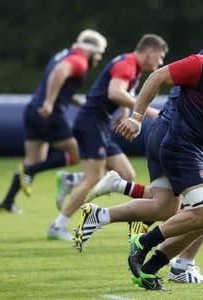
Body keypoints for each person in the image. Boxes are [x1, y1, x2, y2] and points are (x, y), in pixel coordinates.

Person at [74, 16, 203, 284]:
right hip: (176, 137)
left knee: (166, 207)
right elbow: (168, 88)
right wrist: (137, 116)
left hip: (168, 134)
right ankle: (178, 263)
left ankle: (104, 214)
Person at [46, 34, 167, 240]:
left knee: (126, 174)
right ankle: (58, 225)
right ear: (150, 52)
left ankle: (72, 179)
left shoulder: (132, 67)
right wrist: (148, 111)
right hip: (91, 123)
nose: (161, 62)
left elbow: (120, 95)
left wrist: (122, 115)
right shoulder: (127, 64)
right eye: (161, 56)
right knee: (94, 177)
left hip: (99, 124)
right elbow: (115, 92)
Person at [0, 29, 107, 214]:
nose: (99, 57)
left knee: (33, 160)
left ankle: (7, 202)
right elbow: (59, 72)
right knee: (77, 153)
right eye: (100, 52)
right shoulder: (79, 60)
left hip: (33, 110)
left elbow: (61, 81)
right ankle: (30, 173)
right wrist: (49, 102)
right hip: (51, 113)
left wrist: (76, 101)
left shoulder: (65, 53)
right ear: (92, 49)